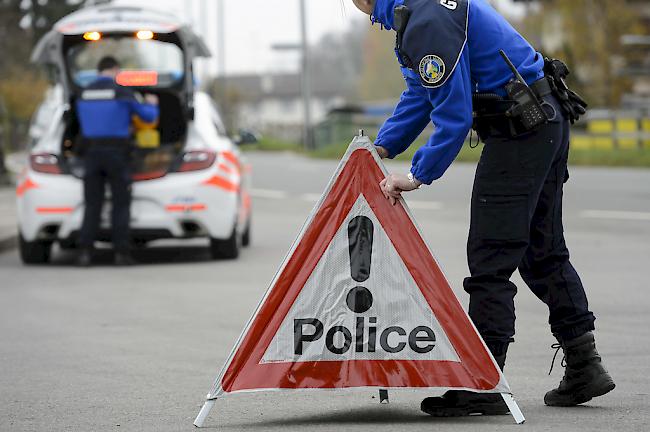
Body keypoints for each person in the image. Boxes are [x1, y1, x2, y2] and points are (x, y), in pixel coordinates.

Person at [350, 0, 614, 416]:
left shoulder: (427, 20)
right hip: (543, 119)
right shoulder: (419, 11)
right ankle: (585, 365)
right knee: (542, 251)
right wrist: (382, 145)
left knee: (490, 255)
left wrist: (417, 175)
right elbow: (423, 90)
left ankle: (485, 381)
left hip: (521, 128)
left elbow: (453, 115)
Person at [75, 56, 159, 266]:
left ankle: (85, 252)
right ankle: (121, 253)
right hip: (117, 155)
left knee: (92, 204)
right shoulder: (122, 92)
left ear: (98, 70)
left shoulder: (83, 93)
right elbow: (147, 118)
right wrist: (152, 104)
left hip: (91, 155)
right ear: (115, 69)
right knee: (120, 204)